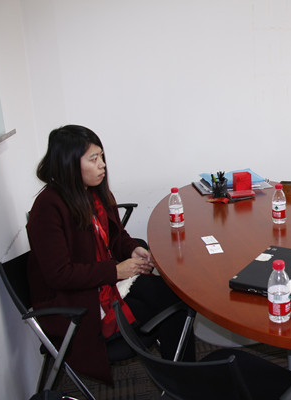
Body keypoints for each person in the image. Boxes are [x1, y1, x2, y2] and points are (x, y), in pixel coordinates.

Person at [27, 125, 195, 384]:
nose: (102, 165)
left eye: (102, 157)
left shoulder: (92, 192)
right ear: (69, 164)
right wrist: (115, 271)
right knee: (172, 308)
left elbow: (115, 236)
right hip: (77, 306)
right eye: (93, 159)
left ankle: (184, 378)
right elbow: (59, 275)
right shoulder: (48, 207)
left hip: (102, 283)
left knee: (176, 297)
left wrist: (132, 249)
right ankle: (185, 381)